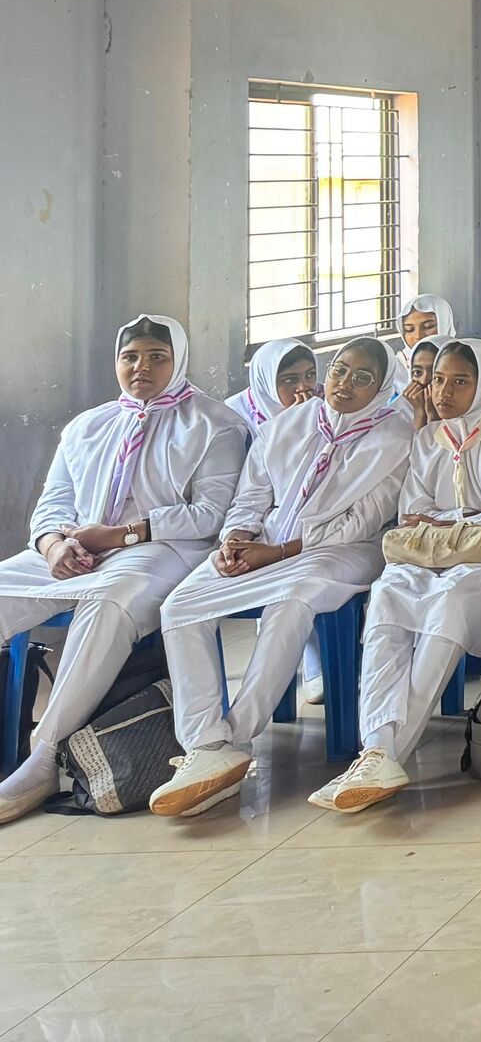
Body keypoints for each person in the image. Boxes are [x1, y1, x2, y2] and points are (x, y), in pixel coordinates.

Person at [0, 316, 249, 825]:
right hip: (77, 548)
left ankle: (43, 757)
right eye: (130, 357)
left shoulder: (214, 423)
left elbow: (211, 514)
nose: (142, 367)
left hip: (162, 548)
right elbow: (52, 503)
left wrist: (118, 536)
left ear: (178, 360)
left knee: (109, 604)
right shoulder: (87, 426)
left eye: (158, 356)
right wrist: (53, 546)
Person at [151, 338, 408, 817]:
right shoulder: (288, 424)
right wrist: (235, 539)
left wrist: (278, 553)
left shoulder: (395, 437)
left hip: (341, 552)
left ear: (381, 387)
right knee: (179, 606)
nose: (344, 384)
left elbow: (363, 521)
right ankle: (206, 744)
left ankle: (237, 740)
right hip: (265, 541)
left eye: (362, 378)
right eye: (339, 370)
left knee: (292, 601)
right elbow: (251, 495)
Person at [310, 339, 481, 813]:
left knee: (449, 602)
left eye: (460, 381)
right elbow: (411, 513)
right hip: (428, 556)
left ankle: (385, 755)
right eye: (438, 380)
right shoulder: (428, 439)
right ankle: (376, 749)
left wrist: (458, 519)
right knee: (387, 597)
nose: (443, 392)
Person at [226, 339, 319, 432]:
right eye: (289, 380)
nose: (302, 387)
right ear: (266, 382)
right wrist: (286, 422)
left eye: (310, 375)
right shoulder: (232, 417)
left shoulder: (322, 401)